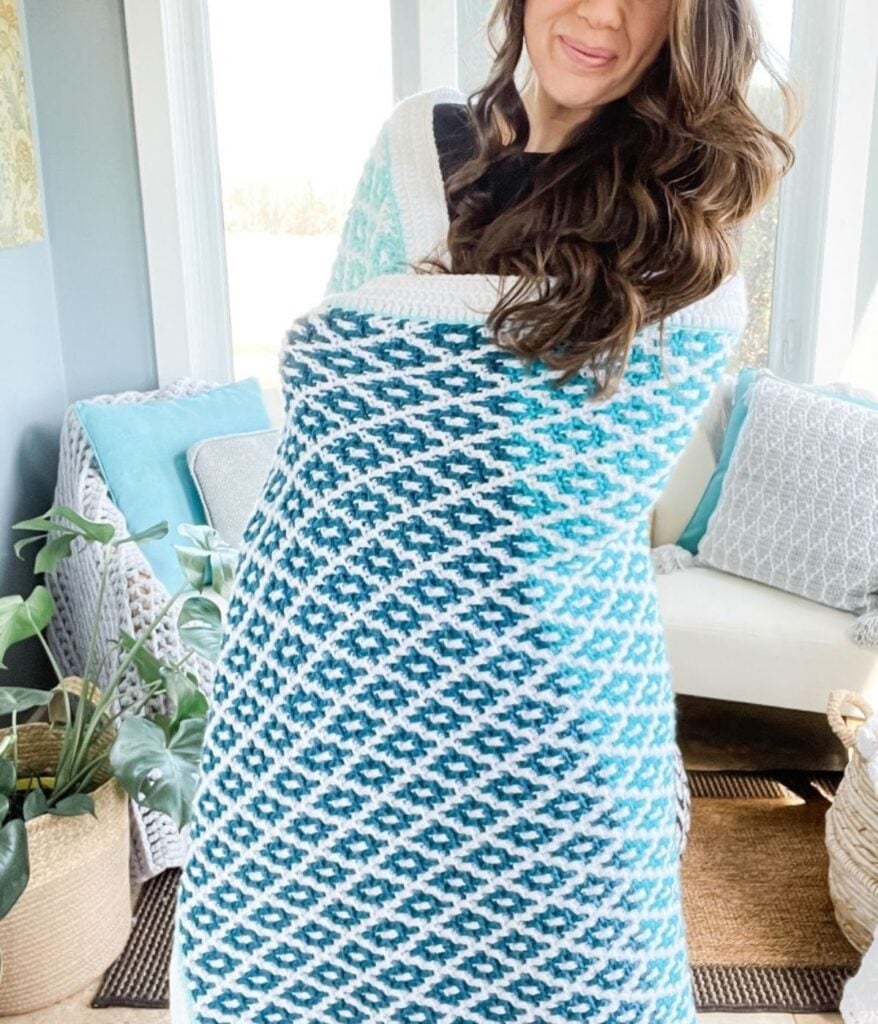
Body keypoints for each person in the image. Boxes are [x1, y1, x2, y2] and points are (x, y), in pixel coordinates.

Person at [170, 2, 796, 1022]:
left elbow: (583, 507)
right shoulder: (418, 149)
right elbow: (336, 442)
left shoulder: (679, 222)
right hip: (336, 712)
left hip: (555, 731)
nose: (601, 11)